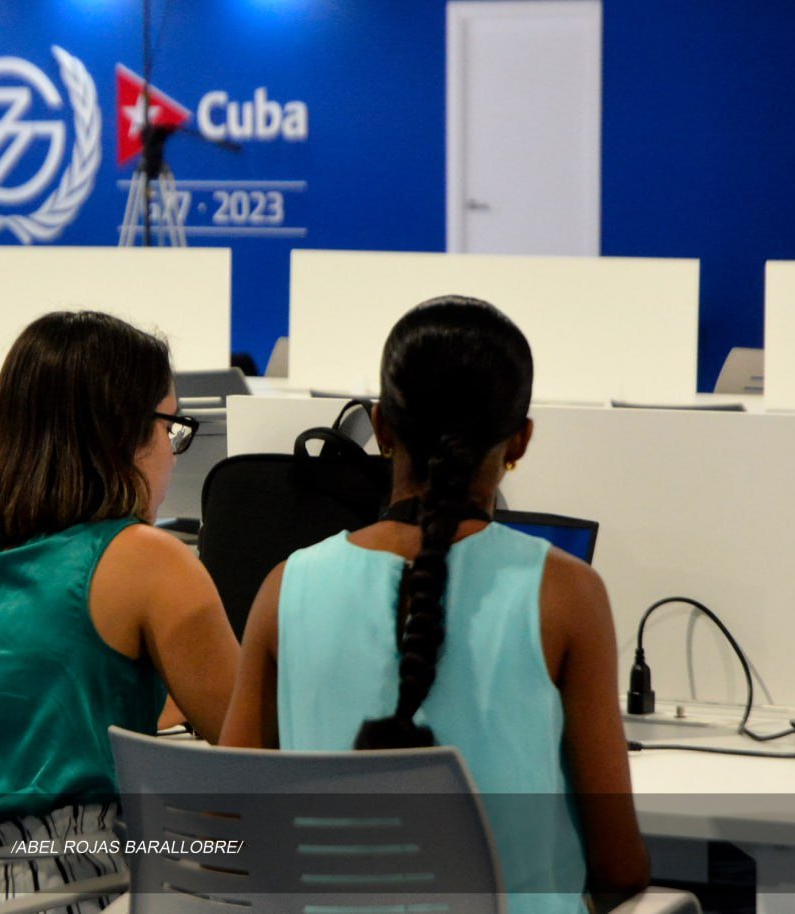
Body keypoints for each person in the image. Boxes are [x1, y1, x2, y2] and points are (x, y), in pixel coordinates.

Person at [221, 296, 650, 914]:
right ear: (520, 440)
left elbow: (225, 829)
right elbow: (618, 867)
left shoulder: (286, 587)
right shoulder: (567, 595)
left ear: (382, 427)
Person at [0, 311, 239, 912]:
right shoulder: (148, 560)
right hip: (68, 891)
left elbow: (28, 708)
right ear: (125, 431)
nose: (174, 454)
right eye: (170, 427)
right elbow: (251, 744)